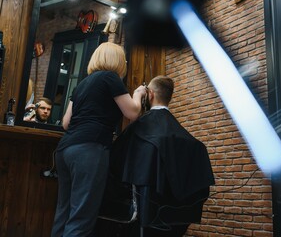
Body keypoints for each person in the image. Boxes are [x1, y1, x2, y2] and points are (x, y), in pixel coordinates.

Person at [98, 75, 215, 237]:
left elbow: (116, 162)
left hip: (146, 208)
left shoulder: (140, 129)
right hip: (176, 216)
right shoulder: (188, 140)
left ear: (150, 94)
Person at [51, 42, 147, 237]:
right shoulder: (110, 78)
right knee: (81, 216)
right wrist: (138, 94)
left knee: (64, 211)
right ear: (118, 61)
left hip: (65, 150)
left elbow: (66, 123)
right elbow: (132, 112)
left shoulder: (82, 84)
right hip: (89, 150)